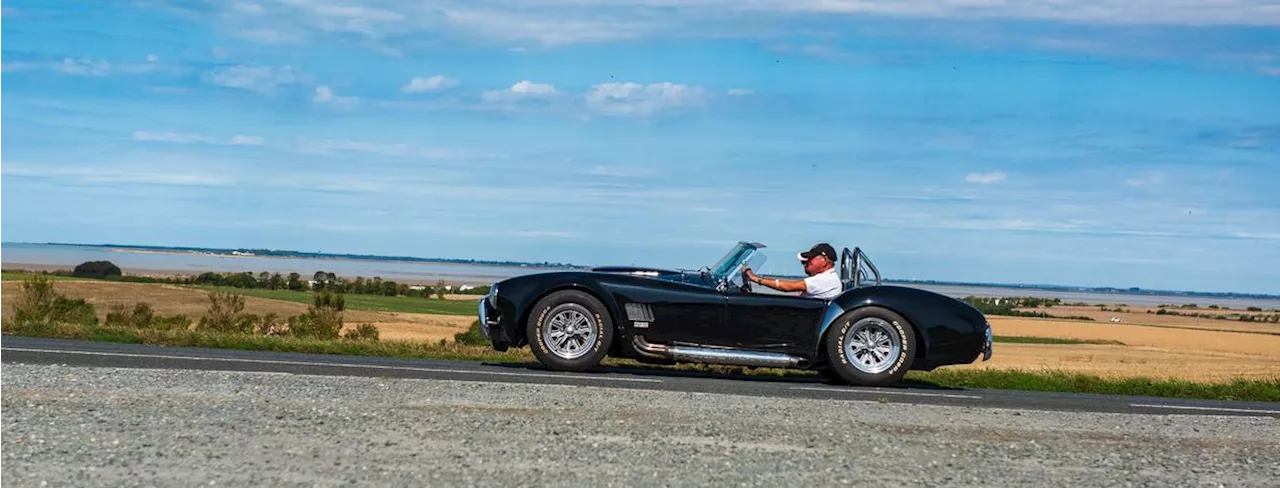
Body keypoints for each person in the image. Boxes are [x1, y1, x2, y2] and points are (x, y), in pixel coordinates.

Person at [742, 242, 843, 300]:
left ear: (824, 260)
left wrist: (755, 279)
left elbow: (787, 287)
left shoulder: (826, 280)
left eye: (811, 258)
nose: (807, 262)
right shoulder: (827, 278)